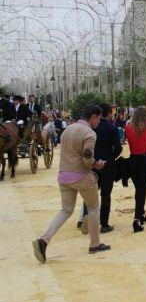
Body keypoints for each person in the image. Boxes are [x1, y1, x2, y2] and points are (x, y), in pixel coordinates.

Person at [32, 104, 110, 263]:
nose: (99, 122)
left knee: (66, 210)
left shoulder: (67, 129)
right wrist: (97, 164)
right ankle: (95, 243)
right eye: (99, 119)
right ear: (93, 117)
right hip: (81, 176)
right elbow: (87, 160)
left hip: (63, 175)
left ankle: (43, 240)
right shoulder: (89, 133)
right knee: (94, 207)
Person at [79, 103, 122, 233]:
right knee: (105, 195)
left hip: (91, 165)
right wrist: (110, 158)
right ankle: (104, 224)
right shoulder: (112, 128)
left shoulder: (89, 128)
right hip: (108, 165)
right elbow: (118, 148)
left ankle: (85, 219)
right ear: (108, 113)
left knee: (89, 194)